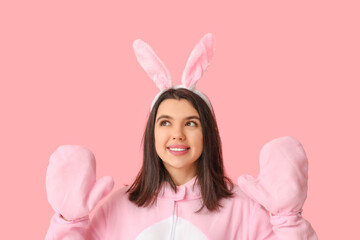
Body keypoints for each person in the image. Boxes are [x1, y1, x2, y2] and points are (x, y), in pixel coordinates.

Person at [45, 33, 318, 239]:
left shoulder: (242, 209)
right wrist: (68, 222)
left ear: (207, 133)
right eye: (165, 123)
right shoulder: (117, 207)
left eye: (191, 123)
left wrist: (287, 218)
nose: (177, 135)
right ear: (152, 133)